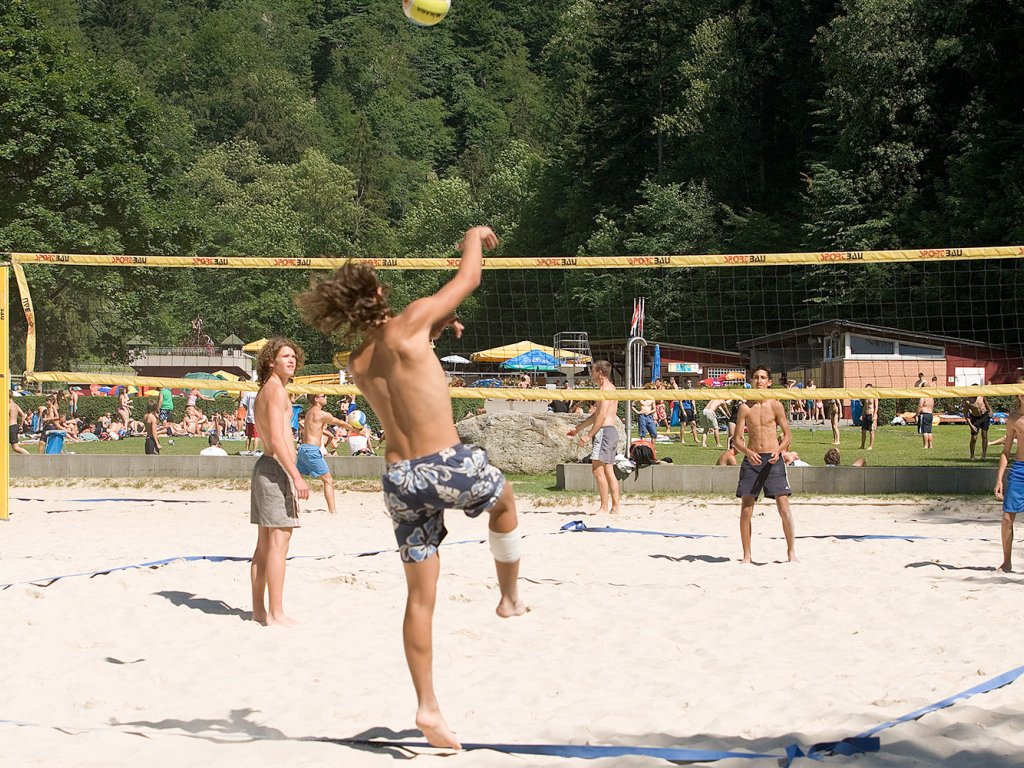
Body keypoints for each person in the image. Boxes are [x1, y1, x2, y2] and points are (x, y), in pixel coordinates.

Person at [296, 226, 525, 748]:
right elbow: (469, 276)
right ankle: (510, 598)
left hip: (399, 480)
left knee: (420, 601)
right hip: (446, 462)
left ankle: (427, 707)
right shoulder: (411, 320)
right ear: (377, 295)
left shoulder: (357, 363)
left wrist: (437, 328)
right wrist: (471, 237)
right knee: (504, 501)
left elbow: (403, 370)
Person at [249, 338, 310, 627]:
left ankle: (259, 612)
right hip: (274, 468)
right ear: (270, 361)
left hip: (266, 467)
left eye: (293, 356)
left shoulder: (268, 390)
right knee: (278, 545)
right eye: (285, 356)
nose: (291, 360)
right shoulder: (274, 391)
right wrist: (296, 476)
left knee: (264, 545)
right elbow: (276, 438)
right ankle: (275, 613)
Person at [733, 366, 796, 564]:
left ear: (769, 382)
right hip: (752, 460)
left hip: (773, 459)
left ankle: (791, 552)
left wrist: (779, 450)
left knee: (784, 506)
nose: (759, 381)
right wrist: (747, 452)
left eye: (763, 378)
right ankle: (747, 555)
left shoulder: (776, 405)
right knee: (746, 508)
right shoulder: (745, 407)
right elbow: (736, 440)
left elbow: (787, 435)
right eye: (756, 378)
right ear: (752, 381)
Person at [567, 360, 622, 515]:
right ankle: (615, 507)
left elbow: (601, 416)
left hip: (604, 432)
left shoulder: (604, 390)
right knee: (609, 471)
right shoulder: (612, 388)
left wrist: (588, 435)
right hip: (611, 432)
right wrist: (578, 429)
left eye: (592, 371)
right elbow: (597, 415)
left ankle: (604, 508)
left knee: (598, 471)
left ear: (599, 373)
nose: (591, 374)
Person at [296, 393, 349, 514]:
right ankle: (333, 511)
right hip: (311, 450)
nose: (326, 398)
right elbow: (340, 423)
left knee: (298, 479)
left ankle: (294, 507)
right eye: (323, 396)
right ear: (316, 399)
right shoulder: (321, 413)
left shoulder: (309, 412)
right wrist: (356, 429)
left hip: (303, 448)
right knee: (328, 480)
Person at [993, 390, 1024, 572]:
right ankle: (1007, 562)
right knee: (1006, 519)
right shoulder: (1013, 419)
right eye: (1021, 391)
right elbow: (1006, 451)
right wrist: (999, 479)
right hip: (1019, 470)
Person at [963, 387, 991, 460]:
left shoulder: (981, 397)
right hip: (975, 418)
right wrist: (971, 425)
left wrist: (990, 411)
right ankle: (972, 456)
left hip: (984, 416)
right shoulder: (968, 401)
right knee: (974, 438)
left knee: (984, 435)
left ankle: (983, 455)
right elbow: (966, 414)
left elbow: (986, 402)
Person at [240, 388, 260, 455]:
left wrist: (248, 410)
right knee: (256, 436)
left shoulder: (248, 393)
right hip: (256, 417)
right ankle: (254, 450)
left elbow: (244, 404)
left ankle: (246, 449)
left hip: (249, 417)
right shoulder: (260, 393)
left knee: (249, 435)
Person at [859, 385, 878, 450]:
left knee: (871, 431)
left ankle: (871, 446)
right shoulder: (866, 397)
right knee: (863, 431)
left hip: (871, 415)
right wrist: (862, 414)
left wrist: (875, 415)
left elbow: (876, 407)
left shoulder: (874, 396)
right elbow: (864, 406)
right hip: (865, 415)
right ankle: (862, 445)